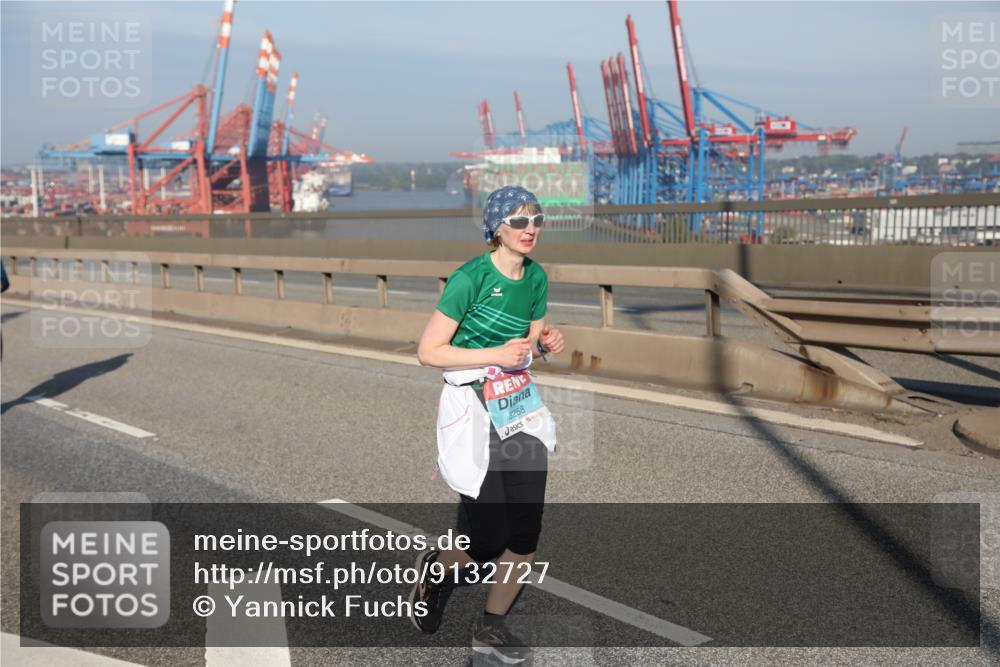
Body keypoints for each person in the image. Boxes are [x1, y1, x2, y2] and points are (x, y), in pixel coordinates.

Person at [412, 185, 565, 663]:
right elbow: (428, 351)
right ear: (496, 228)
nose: (530, 229)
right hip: (472, 413)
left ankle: (491, 626)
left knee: (525, 534)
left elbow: (530, 339)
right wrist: (494, 355)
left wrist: (545, 344)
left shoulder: (536, 277)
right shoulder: (470, 279)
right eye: (518, 221)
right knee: (486, 542)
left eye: (536, 219)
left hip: (519, 409)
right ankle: (437, 569)